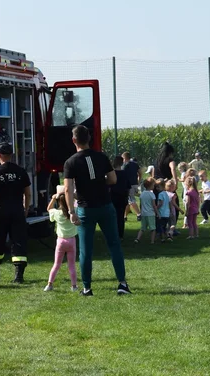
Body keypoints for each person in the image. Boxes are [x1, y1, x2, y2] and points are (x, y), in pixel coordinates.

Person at [62, 125, 131, 296]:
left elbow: (68, 189)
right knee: (114, 245)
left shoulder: (70, 162)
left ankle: (87, 288)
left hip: (86, 209)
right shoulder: (101, 157)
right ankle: (122, 284)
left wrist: (71, 211)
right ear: (89, 139)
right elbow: (113, 179)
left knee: (86, 250)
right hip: (106, 206)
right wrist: (99, 184)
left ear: (74, 140)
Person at [0, 142, 32, 283]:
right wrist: (26, 208)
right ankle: (18, 276)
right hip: (17, 210)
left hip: (0, 211)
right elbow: (27, 194)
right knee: (18, 242)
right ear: (11, 155)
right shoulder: (21, 171)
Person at [45, 188, 79, 292]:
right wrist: (72, 195)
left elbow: (48, 209)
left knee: (56, 264)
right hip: (71, 241)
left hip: (60, 241)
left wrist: (53, 198)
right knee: (72, 265)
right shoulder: (74, 211)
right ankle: (74, 286)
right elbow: (78, 202)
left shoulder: (56, 213)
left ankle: (49, 284)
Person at [110, 155, 131, 240]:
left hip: (113, 197)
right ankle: (120, 235)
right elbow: (128, 187)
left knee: (112, 217)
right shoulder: (125, 174)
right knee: (120, 217)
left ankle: (113, 234)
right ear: (122, 163)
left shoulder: (112, 174)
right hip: (122, 197)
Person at [135, 177, 157, 244]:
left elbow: (141, 204)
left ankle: (137, 238)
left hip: (143, 213)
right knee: (153, 228)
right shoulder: (152, 194)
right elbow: (154, 205)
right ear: (151, 185)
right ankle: (152, 241)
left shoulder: (142, 194)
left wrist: (140, 212)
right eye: (153, 185)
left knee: (142, 228)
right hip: (150, 213)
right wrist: (157, 213)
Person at [121, 152, 141, 220]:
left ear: (124, 158)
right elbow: (140, 173)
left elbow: (122, 175)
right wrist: (138, 180)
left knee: (131, 200)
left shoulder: (124, 165)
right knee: (127, 201)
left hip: (129, 185)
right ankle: (125, 216)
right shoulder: (135, 164)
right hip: (135, 184)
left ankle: (139, 214)